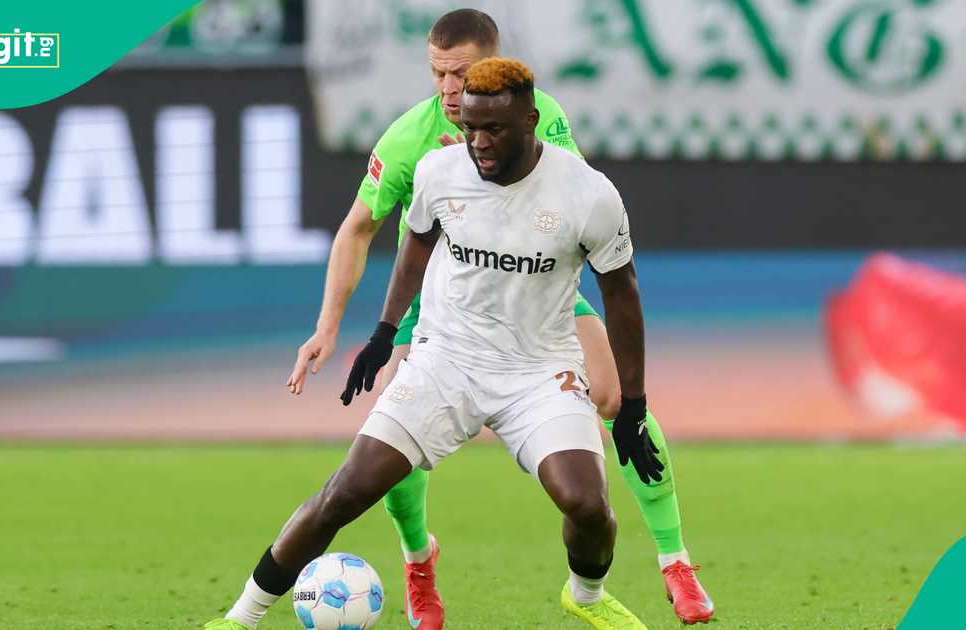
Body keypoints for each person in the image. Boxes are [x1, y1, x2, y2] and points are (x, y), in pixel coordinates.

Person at [287, 9, 713, 628]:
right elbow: (358, 228)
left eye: (459, 73)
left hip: (533, 284)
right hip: (439, 299)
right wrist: (328, 326)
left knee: (617, 394)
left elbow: (568, 193)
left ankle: (675, 560)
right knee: (391, 426)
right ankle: (418, 560)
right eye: (437, 73)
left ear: (493, 66)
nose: (447, 88)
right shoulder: (408, 139)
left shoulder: (539, 113)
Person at [207, 56, 657, 630]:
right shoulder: (440, 171)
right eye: (470, 127)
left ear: (530, 120)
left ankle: (586, 596)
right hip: (445, 360)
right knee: (345, 492)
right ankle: (240, 618)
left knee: (589, 507)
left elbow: (622, 297)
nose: (479, 143)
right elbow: (415, 246)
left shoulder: (588, 194)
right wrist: (383, 334)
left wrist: (634, 405)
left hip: (540, 370)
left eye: (494, 129)